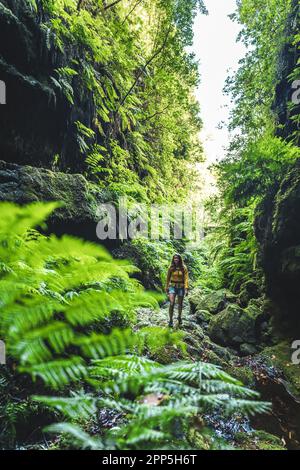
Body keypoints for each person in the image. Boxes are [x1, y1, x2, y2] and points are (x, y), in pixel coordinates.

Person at [165, 254, 189, 328]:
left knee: (180, 304)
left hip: (181, 287)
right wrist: (166, 287)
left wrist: (186, 288)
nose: (176, 259)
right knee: (171, 303)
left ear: (180, 259)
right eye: (174, 258)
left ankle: (179, 317)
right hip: (172, 287)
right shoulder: (171, 268)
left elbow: (186, 279)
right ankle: (171, 320)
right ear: (173, 259)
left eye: (177, 258)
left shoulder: (183, 268)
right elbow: (168, 278)